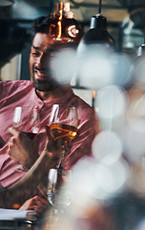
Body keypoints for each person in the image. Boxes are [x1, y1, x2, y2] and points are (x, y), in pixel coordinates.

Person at [0, 16, 99, 211]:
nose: (40, 63)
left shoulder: (83, 120)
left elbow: (70, 196)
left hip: (24, 217)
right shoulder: (6, 92)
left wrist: (30, 161)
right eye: (36, 53)